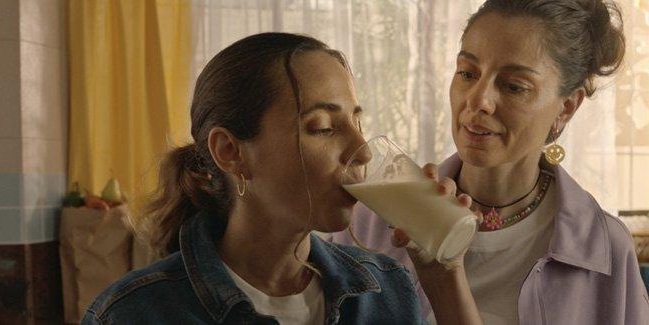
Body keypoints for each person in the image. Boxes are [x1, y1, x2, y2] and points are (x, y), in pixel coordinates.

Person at [82, 33, 480, 324]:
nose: (364, 150)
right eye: (322, 127)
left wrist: (443, 277)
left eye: (357, 120)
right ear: (230, 152)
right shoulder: (133, 314)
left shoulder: (384, 290)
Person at [334, 0, 649, 324]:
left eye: (514, 86)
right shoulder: (373, 222)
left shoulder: (604, 249)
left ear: (566, 107)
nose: (478, 100)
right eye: (467, 73)